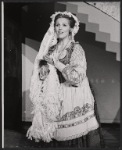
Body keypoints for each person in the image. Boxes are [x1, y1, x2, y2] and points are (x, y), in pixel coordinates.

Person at [26, 11, 105, 148]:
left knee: (72, 138)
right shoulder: (51, 49)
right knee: (55, 135)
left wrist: (56, 63)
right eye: (57, 25)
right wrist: (43, 72)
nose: (60, 28)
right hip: (56, 97)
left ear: (71, 28)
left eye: (64, 25)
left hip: (73, 96)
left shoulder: (76, 49)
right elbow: (44, 75)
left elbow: (77, 78)